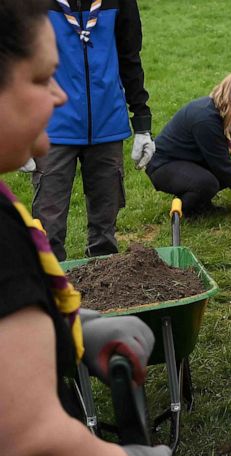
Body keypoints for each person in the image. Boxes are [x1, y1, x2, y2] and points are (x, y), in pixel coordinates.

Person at [0, 1, 173, 456]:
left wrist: (73, 330)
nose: (59, 96)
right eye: (43, 79)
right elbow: (27, 447)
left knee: (105, 225)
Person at [27, 0, 155, 262]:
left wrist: (142, 123)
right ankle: (52, 296)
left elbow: (130, 57)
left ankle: (105, 295)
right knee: (48, 230)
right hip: (52, 127)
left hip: (107, 124)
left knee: (105, 233)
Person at [145, 73, 231, 225]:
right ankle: (189, 208)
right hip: (164, 165)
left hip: (194, 159)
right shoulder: (205, 120)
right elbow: (223, 168)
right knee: (207, 183)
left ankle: (200, 200)